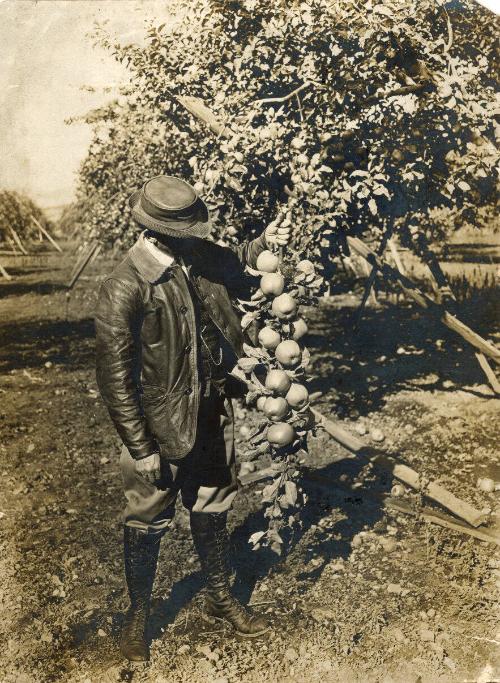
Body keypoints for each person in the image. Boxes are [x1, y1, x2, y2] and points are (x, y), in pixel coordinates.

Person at [94, 175, 290, 661]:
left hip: (209, 407)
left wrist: (266, 243)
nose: (199, 237)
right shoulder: (125, 286)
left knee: (213, 501)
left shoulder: (196, 257)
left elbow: (238, 261)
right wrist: (140, 448)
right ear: (159, 231)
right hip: (159, 423)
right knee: (148, 514)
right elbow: (115, 377)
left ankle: (220, 599)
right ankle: (139, 616)